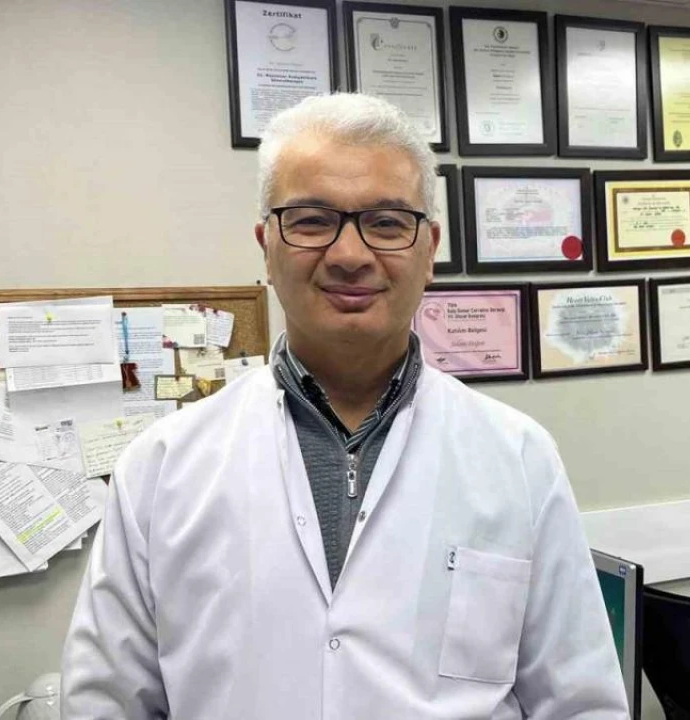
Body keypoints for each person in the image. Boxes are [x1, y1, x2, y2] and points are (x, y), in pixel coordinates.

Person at [60, 93, 628, 719]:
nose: (350, 256)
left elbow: (580, 702)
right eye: (311, 221)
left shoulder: (518, 455)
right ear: (266, 246)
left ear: (429, 249)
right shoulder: (163, 465)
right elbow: (106, 703)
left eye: (387, 223)